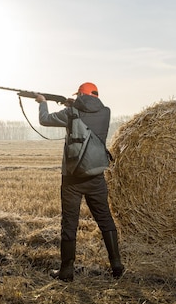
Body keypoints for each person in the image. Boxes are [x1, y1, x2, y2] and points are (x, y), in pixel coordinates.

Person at [35, 82, 124, 282]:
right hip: (96, 175)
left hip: (73, 178)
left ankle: (66, 271)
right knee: (105, 220)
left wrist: (42, 102)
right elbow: (87, 111)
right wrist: (71, 104)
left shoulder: (71, 113)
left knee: (69, 223)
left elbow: (44, 120)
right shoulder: (106, 112)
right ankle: (117, 265)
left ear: (80, 95)